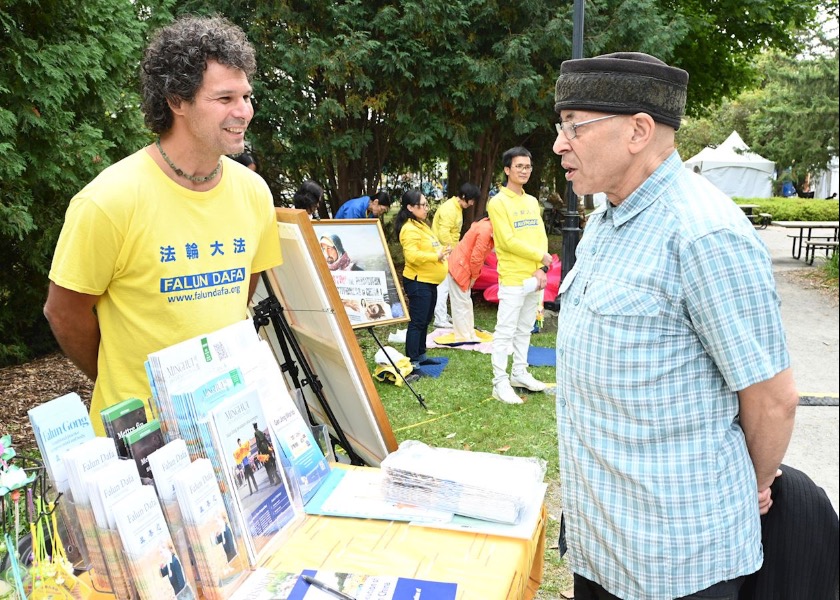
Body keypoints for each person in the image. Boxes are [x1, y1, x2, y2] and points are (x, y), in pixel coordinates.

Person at [551, 52, 799, 599]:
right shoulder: (607, 221)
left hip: (675, 557)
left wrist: (753, 482)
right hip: (602, 538)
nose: (559, 144)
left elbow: (772, 397)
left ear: (639, 130)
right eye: (559, 126)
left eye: (574, 127)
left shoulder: (704, 234)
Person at [43, 15, 283, 435]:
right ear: (177, 100)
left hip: (228, 424)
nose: (243, 111)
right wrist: (120, 380)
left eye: (246, 96)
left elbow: (243, 287)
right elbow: (64, 312)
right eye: (224, 98)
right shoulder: (109, 200)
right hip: (141, 436)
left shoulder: (254, 192)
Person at [487, 147, 551, 404]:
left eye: (528, 167)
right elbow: (507, 241)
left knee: (525, 328)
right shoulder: (497, 202)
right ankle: (499, 381)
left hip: (534, 277)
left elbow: (540, 235)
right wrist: (541, 255)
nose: (524, 171)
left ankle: (519, 373)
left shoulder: (532, 201)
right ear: (507, 170)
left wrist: (541, 267)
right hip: (513, 277)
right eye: (519, 166)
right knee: (505, 331)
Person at [393, 189, 449, 367]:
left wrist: (441, 252)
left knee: (425, 319)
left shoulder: (421, 224)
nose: (426, 208)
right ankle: (412, 358)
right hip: (418, 281)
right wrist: (436, 256)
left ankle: (421, 354)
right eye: (422, 205)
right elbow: (412, 256)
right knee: (417, 321)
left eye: (426, 204)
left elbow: (431, 245)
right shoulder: (409, 229)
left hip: (429, 280)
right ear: (410, 207)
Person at [431, 183, 480, 328]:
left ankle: (442, 314)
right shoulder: (449, 208)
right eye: (471, 200)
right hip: (443, 251)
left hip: (448, 250)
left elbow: (453, 233)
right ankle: (439, 319)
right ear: (464, 196)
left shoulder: (456, 208)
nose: (472, 203)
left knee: (446, 285)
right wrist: (452, 251)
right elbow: (444, 234)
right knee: (443, 286)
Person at [446, 216, 494, 343]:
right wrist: (474, 277)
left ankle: (468, 333)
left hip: (462, 265)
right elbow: (476, 257)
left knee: (465, 302)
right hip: (460, 266)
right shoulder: (486, 230)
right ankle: (463, 336)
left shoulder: (488, 226)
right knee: (461, 304)